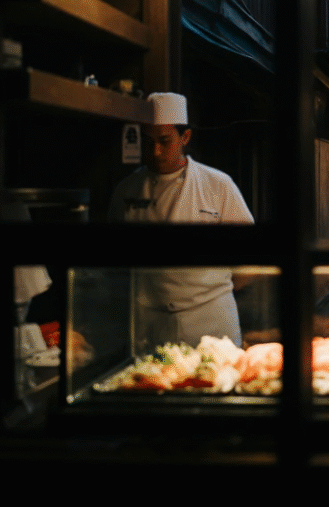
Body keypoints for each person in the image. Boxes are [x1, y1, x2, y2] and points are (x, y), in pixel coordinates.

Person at [108, 92, 253, 350]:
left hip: (211, 323)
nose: (155, 151)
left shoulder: (218, 185)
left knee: (215, 382)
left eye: (164, 141)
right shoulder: (126, 191)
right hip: (150, 324)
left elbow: (250, 258)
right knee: (156, 378)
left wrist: (208, 290)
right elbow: (113, 264)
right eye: (149, 141)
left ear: (185, 137)